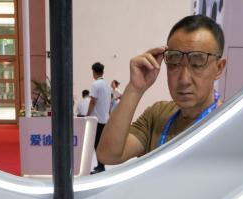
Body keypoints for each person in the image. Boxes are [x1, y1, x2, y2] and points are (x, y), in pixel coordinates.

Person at [97, 15, 227, 166]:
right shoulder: (158, 116)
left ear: (219, 68)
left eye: (197, 64)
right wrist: (135, 88)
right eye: (174, 63)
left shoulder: (230, 125)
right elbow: (108, 155)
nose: (184, 79)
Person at [86, 61, 112, 173]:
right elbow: (110, 101)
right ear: (102, 72)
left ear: (94, 72)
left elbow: (93, 101)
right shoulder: (107, 85)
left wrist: (87, 114)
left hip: (96, 119)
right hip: (105, 118)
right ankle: (101, 165)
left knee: (96, 144)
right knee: (100, 143)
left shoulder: (95, 84)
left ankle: (101, 166)